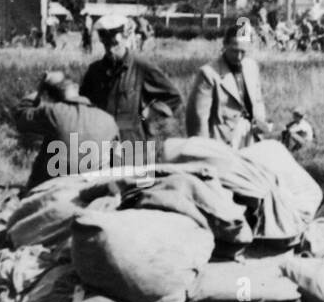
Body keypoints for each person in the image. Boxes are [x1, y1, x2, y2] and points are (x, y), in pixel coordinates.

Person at [80, 13, 182, 144]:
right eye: (106, 45)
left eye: (115, 44)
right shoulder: (95, 70)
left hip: (133, 143)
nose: (110, 50)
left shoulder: (141, 66)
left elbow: (173, 97)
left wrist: (146, 118)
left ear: (124, 38)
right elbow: (83, 105)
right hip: (101, 144)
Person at [14, 71, 122, 191]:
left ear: (51, 97)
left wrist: (40, 90)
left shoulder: (52, 112)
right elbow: (117, 162)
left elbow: (20, 118)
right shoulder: (108, 120)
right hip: (93, 190)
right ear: (76, 88)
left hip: (52, 189)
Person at [185, 19, 268, 149]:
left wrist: (260, 121)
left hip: (250, 135)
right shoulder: (208, 73)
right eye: (235, 51)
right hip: (223, 139)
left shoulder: (251, 66)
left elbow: (258, 100)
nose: (239, 56)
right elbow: (198, 118)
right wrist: (203, 150)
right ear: (225, 45)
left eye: (243, 52)